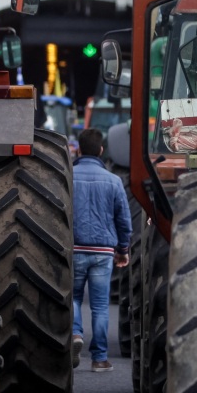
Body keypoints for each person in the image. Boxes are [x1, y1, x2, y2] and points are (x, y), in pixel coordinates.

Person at [71, 128, 131, 372]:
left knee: (73, 297)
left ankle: (75, 333)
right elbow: (124, 220)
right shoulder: (114, 180)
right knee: (99, 306)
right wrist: (123, 249)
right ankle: (99, 359)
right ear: (102, 151)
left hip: (73, 249)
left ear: (78, 149)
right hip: (103, 252)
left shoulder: (68, 177)